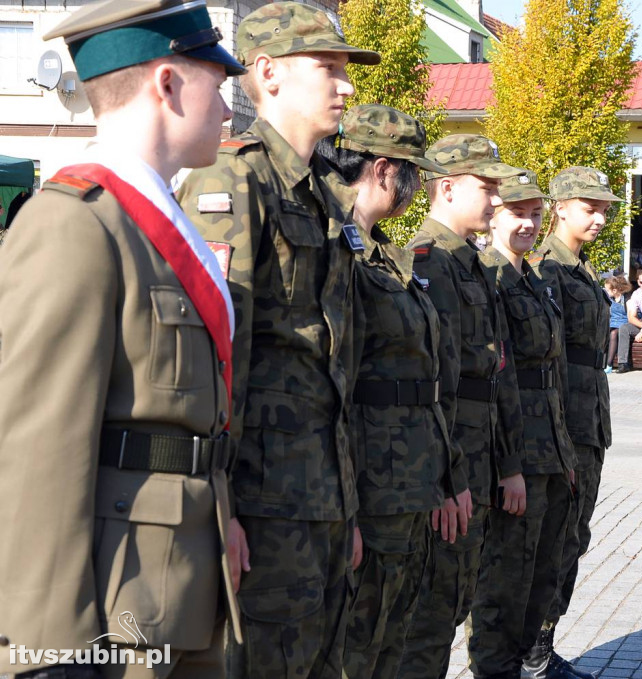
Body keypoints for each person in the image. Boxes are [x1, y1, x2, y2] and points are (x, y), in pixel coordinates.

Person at [0, 0, 246, 676]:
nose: (227, 110)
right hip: (115, 610)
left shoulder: (160, 224)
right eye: (217, 84)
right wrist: (47, 650)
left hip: (179, 584)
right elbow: (36, 451)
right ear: (167, 84)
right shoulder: (76, 226)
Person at [176, 3, 380, 676]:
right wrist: (219, 505)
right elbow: (210, 356)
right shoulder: (234, 181)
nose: (345, 86)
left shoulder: (327, 194)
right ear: (268, 74)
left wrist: (346, 509)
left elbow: (335, 368)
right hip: (261, 509)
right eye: (328, 68)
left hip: (322, 499)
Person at [315, 105, 458, 679]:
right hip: (368, 487)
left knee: (390, 639)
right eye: (413, 174)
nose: (418, 187)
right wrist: (346, 507)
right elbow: (335, 386)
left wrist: (445, 476)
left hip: (406, 481)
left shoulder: (379, 250)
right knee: (356, 643)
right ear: (380, 170)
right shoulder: (333, 244)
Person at [396, 134, 526, 679]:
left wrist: (506, 464)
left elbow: (489, 376)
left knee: (455, 598)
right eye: (486, 187)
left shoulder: (468, 263)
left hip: (477, 454)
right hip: (452, 463)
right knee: (430, 612)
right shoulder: (432, 262)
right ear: (446, 188)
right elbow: (439, 383)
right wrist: (447, 479)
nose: (495, 200)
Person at [470, 170, 575, 679]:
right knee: (504, 580)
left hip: (550, 450)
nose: (530, 224)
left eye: (537, 214)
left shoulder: (534, 278)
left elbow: (551, 373)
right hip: (516, 458)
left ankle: (523, 666)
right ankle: (494, 670)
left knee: (542, 574)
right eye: (519, 213)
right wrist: (507, 463)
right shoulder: (488, 278)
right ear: (495, 215)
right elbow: (497, 381)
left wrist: (566, 454)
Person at [525, 166, 622, 679]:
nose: (600, 217)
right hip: (562, 429)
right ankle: (530, 656)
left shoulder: (581, 269)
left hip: (588, 426)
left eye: (604, 208)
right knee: (550, 543)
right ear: (559, 207)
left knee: (572, 540)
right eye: (589, 206)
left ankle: (542, 649)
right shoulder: (546, 270)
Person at [604, 275, 631, 373]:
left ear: (614, 290)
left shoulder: (626, 299)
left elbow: (630, 316)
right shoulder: (609, 300)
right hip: (611, 323)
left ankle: (609, 364)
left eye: (607, 290)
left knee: (614, 333)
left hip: (623, 324)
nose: (605, 291)